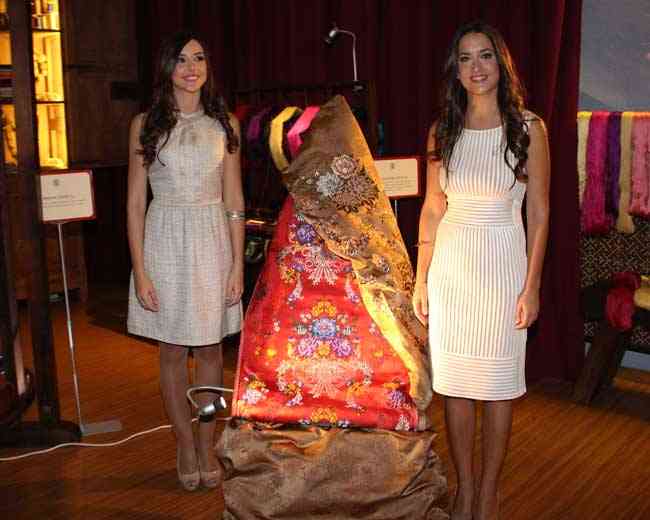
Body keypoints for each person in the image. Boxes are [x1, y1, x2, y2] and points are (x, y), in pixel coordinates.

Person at [413, 21, 550, 520]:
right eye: (466, 58)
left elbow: (539, 213)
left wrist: (532, 286)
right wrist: (421, 278)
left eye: (485, 55)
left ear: (501, 63)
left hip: (502, 267)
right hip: (452, 268)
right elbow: (433, 207)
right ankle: (465, 489)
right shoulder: (442, 131)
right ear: (456, 70)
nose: (476, 67)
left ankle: (489, 492)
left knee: (497, 387)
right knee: (454, 385)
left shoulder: (529, 128)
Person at [126, 31, 244, 491]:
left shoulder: (225, 125)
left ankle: (207, 438)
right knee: (173, 351)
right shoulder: (144, 125)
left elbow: (234, 200)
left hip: (213, 241)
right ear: (166, 68)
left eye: (199, 58)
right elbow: (135, 203)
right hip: (165, 242)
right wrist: (140, 269)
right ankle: (184, 444)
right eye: (181, 60)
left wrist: (237, 264)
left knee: (212, 350)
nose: (192, 68)